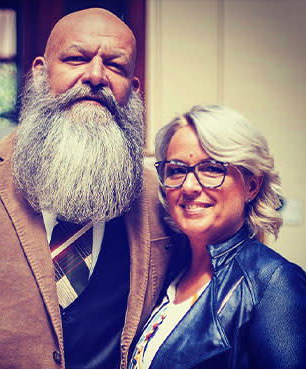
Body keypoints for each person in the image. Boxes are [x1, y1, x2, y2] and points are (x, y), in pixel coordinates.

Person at [0, 8, 175, 369]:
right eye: (76, 58)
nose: (96, 75)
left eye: (115, 66)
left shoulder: (158, 196)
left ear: (133, 88)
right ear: (40, 71)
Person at [129, 105, 306, 369]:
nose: (188, 186)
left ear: (252, 185)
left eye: (212, 168)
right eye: (176, 170)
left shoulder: (273, 283)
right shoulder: (171, 272)